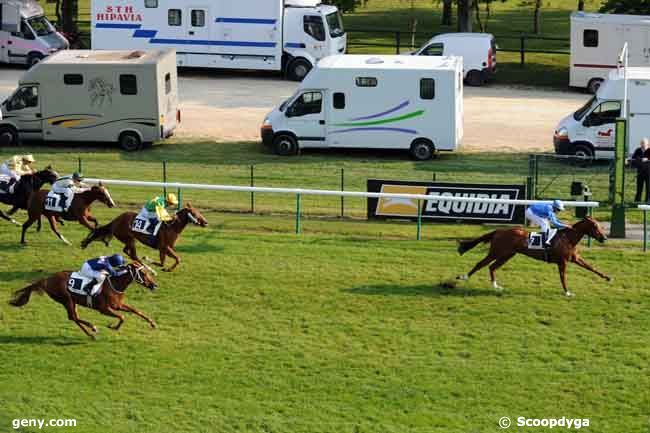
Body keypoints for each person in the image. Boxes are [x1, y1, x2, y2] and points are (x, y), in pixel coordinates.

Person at [630, 138, 650, 202]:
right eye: (641, 143)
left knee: (648, 188)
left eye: (644, 143)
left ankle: (648, 201)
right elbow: (633, 159)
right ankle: (637, 201)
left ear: (648, 144)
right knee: (639, 188)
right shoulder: (638, 150)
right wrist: (640, 159)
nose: (642, 144)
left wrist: (647, 159)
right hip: (640, 172)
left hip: (648, 172)